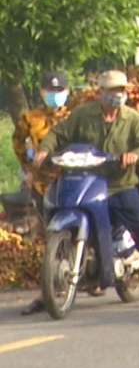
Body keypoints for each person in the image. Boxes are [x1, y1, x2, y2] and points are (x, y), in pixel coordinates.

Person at [34, 70, 139, 307]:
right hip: (88, 183)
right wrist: (45, 150)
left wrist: (135, 155)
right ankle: (54, 289)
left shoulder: (132, 119)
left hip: (120, 184)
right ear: (101, 93)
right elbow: (58, 134)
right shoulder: (83, 115)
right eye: (112, 91)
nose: (118, 95)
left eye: (121, 90)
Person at [15, 72, 70, 315]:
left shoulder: (77, 115)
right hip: (44, 185)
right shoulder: (30, 118)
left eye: (59, 92)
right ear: (41, 93)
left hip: (74, 181)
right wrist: (28, 170)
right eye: (50, 91)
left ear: (67, 92)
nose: (54, 96)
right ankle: (47, 290)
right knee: (49, 236)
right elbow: (18, 144)